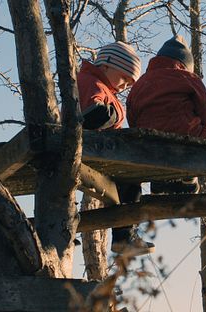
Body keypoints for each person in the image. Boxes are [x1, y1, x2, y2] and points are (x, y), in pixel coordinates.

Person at [77, 41, 155, 256]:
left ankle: (124, 236)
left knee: (129, 185)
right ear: (107, 65)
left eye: (130, 84)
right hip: (93, 150)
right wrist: (115, 115)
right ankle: (124, 237)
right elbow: (93, 116)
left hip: (98, 150)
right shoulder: (90, 82)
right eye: (124, 78)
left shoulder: (96, 83)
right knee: (130, 178)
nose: (125, 86)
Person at [126, 35, 206, 194]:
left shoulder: (141, 82)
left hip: (147, 141)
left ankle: (160, 181)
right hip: (185, 133)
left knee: (157, 154)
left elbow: (131, 114)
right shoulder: (188, 77)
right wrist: (203, 125)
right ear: (185, 64)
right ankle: (189, 178)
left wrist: (140, 129)